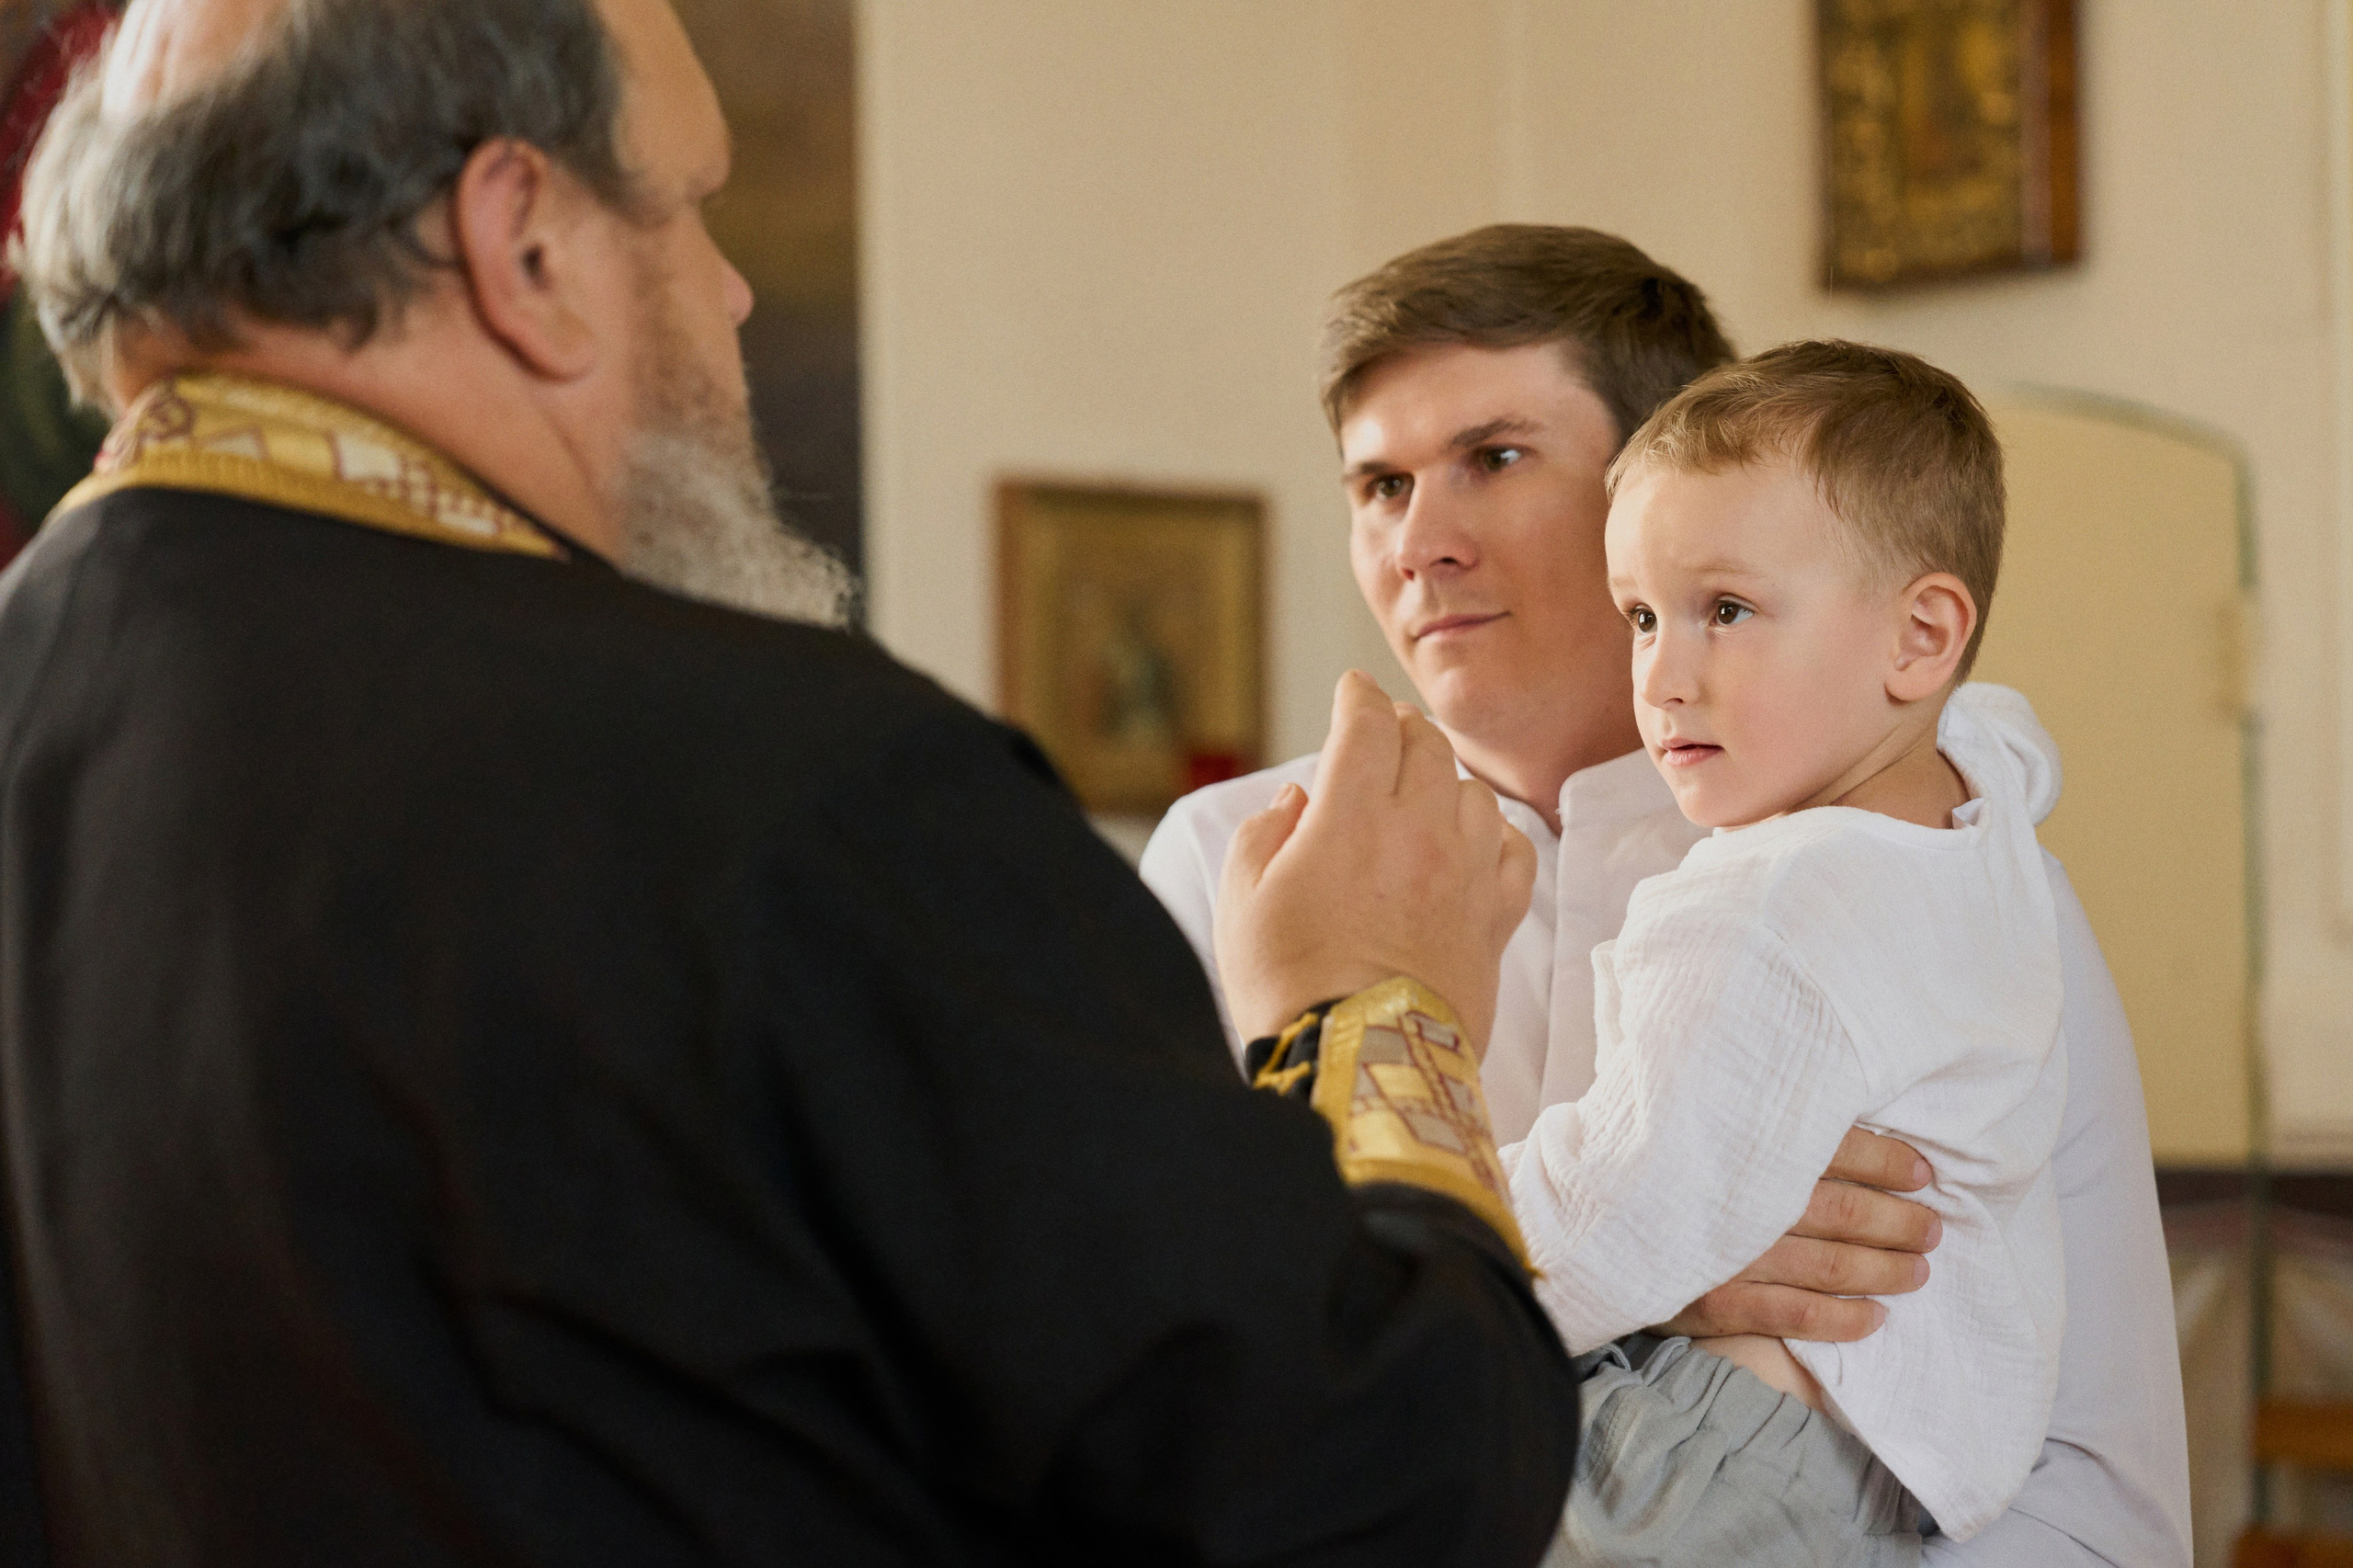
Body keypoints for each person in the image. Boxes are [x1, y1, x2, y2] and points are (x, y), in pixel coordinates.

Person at [0, 2, 1580, 1562]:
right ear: (523, 242)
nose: (736, 289)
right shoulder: (788, 785)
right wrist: (1374, 1010)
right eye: (691, 206)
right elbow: (1385, 1482)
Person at [1142, 226, 2193, 1565]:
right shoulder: (1235, 857)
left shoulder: (1948, 872)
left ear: (1662, 481)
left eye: (1494, 459)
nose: (1421, 541)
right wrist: (1669, 1280)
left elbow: (2105, 1489)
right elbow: (1125, 1377)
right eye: (1380, 484)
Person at [1518, 341, 2066, 1562]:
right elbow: (2008, 726)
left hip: (1700, 1450)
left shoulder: (1763, 901)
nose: (1661, 674)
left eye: (1727, 610)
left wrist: (1397, 1243)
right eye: (1642, 615)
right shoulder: (1976, 807)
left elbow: (1608, 1224)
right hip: (1874, 1458)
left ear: (1923, 636)